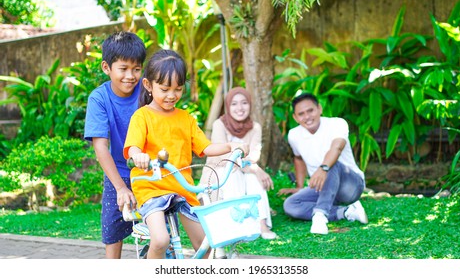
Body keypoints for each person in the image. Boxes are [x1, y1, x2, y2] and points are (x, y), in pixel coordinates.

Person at [123, 49, 248, 259]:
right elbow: (133, 148)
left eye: (178, 89)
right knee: (161, 240)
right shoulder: (142, 116)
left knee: (206, 246)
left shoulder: (185, 118)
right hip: (151, 187)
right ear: (148, 85)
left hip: (182, 187)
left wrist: (231, 147)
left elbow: (206, 147)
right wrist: (139, 156)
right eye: (164, 89)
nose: (172, 95)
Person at [84, 31, 146, 258]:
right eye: (123, 68)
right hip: (117, 173)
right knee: (113, 233)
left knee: (159, 230)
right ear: (106, 68)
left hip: (148, 172)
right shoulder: (99, 99)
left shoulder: (147, 92)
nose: (130, 75)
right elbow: (100, 146)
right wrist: (120, 187)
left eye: (137, 69)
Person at [278, 93, 368, 235]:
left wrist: (323, 168)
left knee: (333, 164)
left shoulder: (337, 123)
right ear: (295, 117)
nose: (307, 117)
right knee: (290, 205)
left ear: (319, 109)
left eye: (310, 111)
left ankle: (320, 216)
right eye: (301, 114)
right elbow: (298, 158)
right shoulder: (294, 135)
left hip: (350, 186)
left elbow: (336, 148)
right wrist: (300, 187)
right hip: (322, 188)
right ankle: (346, 212)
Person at [199, 87, 277, 241]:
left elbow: (254, 155)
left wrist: (253, 168)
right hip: (219, 171)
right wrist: (254, 167)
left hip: (244, 170)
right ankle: (237, 223)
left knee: (254, 179)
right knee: (232, 173)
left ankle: (261, 224)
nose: (240, 108)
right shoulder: (219, 125)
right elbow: (224, 155)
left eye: (244, 103)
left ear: (250, 104)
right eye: (234, 104)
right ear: (228, 106)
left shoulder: (255, 127)